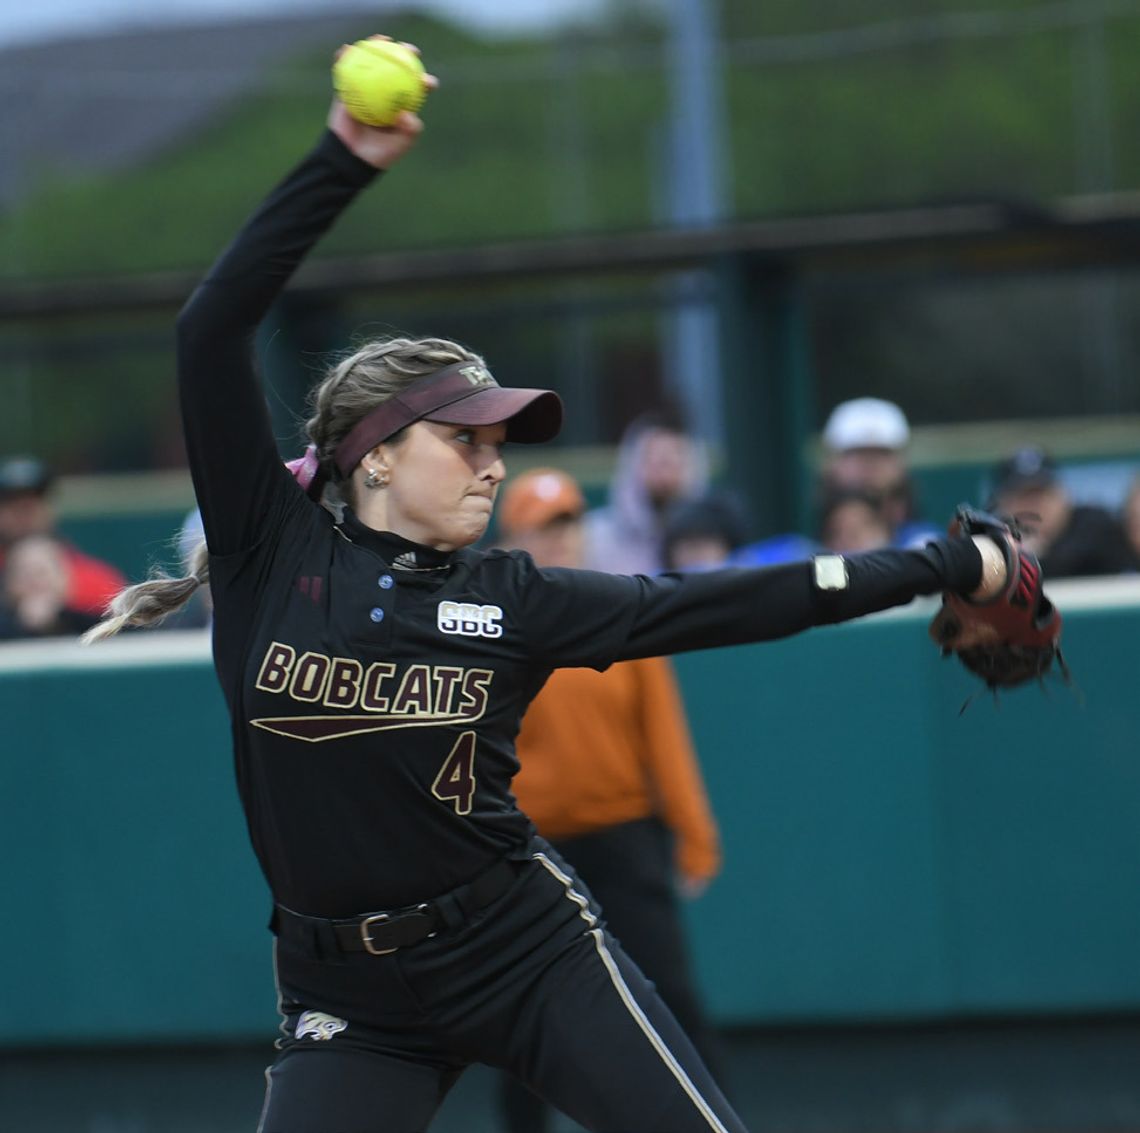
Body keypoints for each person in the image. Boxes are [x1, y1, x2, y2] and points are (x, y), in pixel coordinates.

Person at [85, 41, 1015, 1133]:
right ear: (374, 454)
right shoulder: (265, 548)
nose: (495, 461)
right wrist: (343, 158)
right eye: (465, 437)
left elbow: (718, 602)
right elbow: (211, 328)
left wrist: (949, 562)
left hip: (522, 950)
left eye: (502, 442)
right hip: (348, 994)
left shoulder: (512, 595)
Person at [495, 468, 725, 1132]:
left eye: (566, 523)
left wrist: (694, 832)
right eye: (543, 526)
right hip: (531, 849)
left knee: (668, 995)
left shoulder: (614, 611)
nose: (558, 538)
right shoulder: (493, 626)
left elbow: (665, 737)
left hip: (624, 837)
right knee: (524, 1012)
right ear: (514, 536)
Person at [0, 455, 126, 616]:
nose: (23, 512)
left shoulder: (95, 577)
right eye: (12, 504)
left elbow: (121, 622)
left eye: (33, 503)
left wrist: (64, 605)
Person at [584, 409, 707, 574]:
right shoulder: (594, 538)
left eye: (676, 461)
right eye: (657, 461)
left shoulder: (714, 539)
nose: (666, 474)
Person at [988, 445, 1140, 578]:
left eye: (1041, 495)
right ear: (1003, 503)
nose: (1033, 507)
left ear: (1062, 495)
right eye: (1022, 497)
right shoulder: (992, 540)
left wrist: (1035, 558)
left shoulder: (1096, 527)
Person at [820, 397, 940, 548]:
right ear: (831, 463)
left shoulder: (928, 545)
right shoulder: (792, 552)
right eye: (856, 453)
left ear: (902, 464)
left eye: (883, 453)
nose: (870, 464)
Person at [0, 534, 101, 640]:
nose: (34, 582)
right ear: (9, 583)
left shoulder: (90, 622)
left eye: (42, 572)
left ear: (64, 578)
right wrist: (26, 626)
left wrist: (56, 620)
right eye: (25, 574)